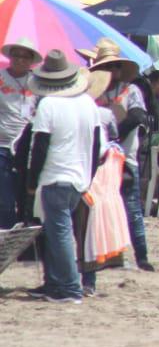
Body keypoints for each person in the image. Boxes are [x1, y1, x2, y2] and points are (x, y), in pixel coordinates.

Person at [24, 51, 102, 302]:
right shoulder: (89, 103)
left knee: (60, 233)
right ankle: (56, 284)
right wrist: (89, 176)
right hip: (79, 176)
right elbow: (96, 145)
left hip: (56, 176)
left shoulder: (49, 105)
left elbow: (40, 147)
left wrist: (31, 182)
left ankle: (69, 288)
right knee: (60, 231)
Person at [86, 40, 153, 272]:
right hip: (99, 160)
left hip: (125, 158)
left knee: (131, 208)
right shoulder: (91, 91)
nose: (111, 71)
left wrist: (113, 136)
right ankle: (108, 255)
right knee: (102, 210)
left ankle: (142, 256)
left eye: (114, 66)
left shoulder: (131, 90)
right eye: (106, 66)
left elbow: (138, 117)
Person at [0, 38, 38, 230]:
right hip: (3, 145)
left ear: (31, 60)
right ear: (10, 57)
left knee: (25, 196)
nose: (20, 60)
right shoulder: (0, 78)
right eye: (17, 55)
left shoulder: (37, 82)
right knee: (5, 199)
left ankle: (23, 241)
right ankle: (5, 240)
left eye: (25, 57)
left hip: (28, 147)